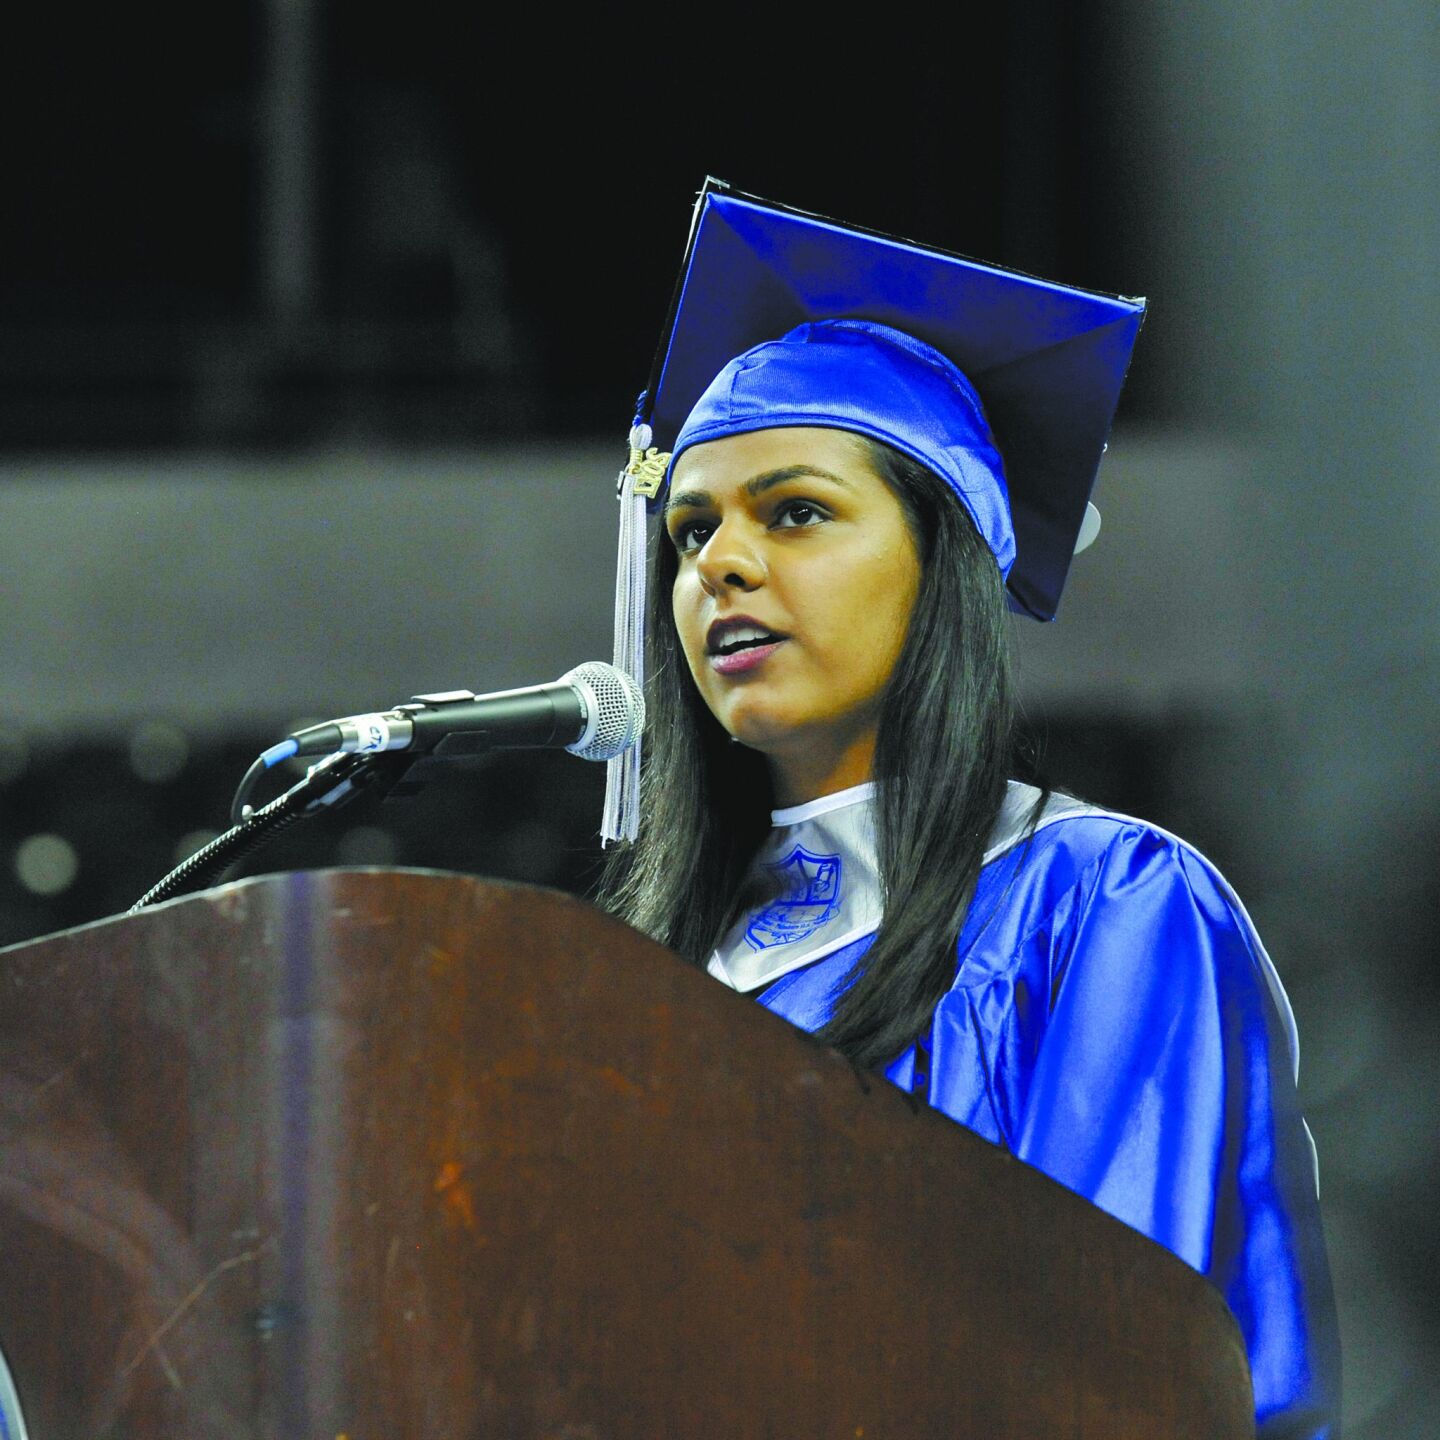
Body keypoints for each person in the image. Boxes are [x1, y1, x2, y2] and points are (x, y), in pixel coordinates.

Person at [598, 182, 1341, 1437]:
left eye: (796, 512)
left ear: (941, 562)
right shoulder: (643, 974)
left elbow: (1131, 1369)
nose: (719, 564)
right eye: (688, 532)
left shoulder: (1097, 906)